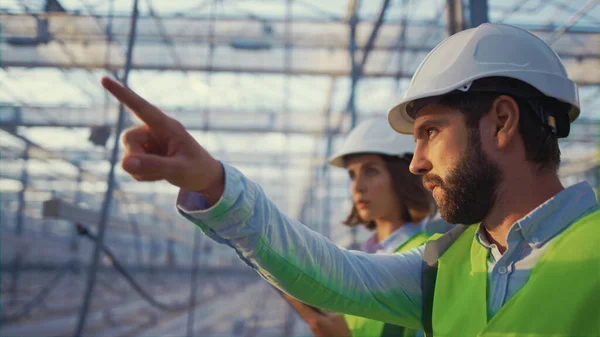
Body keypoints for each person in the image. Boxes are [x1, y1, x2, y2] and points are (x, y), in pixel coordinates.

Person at [104, 23, 599, 337]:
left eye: (430, 132)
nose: (416, 162)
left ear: (502, 121)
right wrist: (214, 183)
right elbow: (332, 273)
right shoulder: (442, 265)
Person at [282, 118, 438, 337]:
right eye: (352, 175)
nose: (357, 186)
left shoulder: (430, 256)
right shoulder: (362, 257)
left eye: (371, 171)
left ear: (403, 176)